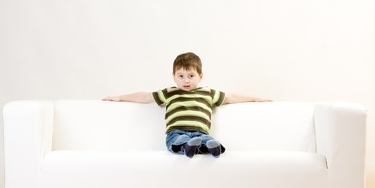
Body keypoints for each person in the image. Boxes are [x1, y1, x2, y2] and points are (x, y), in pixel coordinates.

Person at [103, 52, 270, 158]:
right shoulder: (169, 92)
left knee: (206, 139)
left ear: (200, 76)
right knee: (177, 139)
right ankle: (187, 147)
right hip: (176, 131)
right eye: (181, 76)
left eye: (191, 75)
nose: (186, 80)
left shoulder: (208, 93)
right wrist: (119, 97)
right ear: (174, 76)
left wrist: (257, 98)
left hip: (199, 132)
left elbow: (231, 96)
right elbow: (146, 96)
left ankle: (212, 148)